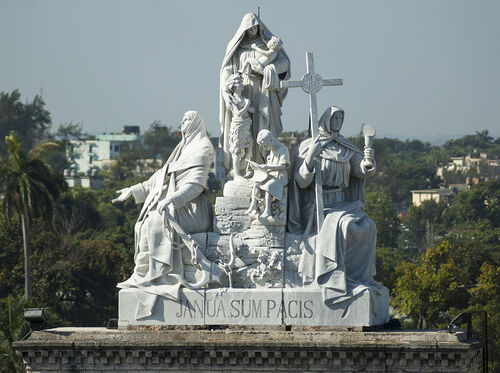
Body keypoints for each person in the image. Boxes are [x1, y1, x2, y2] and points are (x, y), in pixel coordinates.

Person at [112, 111, 219, 317]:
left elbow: (195, 185)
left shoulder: (204, 146)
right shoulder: (181, 149)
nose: (182, 122)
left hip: (194, 209)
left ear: (197, 122)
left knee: (156, 220)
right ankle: (143, 274)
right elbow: (158, 178)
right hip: (177, 205)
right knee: (143, 223)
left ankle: (158, 274)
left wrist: (172, 199)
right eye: (182, 119)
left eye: (187, 119)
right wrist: (133, 190)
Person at [288, 106, 383, 307]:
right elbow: (301, 181)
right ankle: (335, 279)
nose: (338, 122)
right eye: (335, 118)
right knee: (346, 227)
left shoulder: (344, 146)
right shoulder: (309, 146)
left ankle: (358, 278)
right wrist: (311, 157)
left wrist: (367, 163)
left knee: (369, 226)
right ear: (326, 120)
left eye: (341, 118)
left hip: (344, 202)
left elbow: (359, 171)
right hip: (319, 206)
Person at [220, 12, 291, 170]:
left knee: (263, 127)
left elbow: (284, 63)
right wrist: (226, 91)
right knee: (243, 130)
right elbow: (227, 70)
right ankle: (244, 168)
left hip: (263, 91)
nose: (252, 32)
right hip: (243, 90)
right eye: (249, 29)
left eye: (255, 28)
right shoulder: (237, 48)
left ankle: (264, 164)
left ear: (259, 28)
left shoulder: (266, 43)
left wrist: (267, 69)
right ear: (244, 30)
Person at [246, 129, 290, 219]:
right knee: (256, 183)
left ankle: (267, 211)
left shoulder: (283, 149)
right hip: (271, 175)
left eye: (265, 146)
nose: (265, 148)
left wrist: (268, 168)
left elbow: (284, 166)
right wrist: (260, 167)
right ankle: (253, 205)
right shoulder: (271, 151)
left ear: (271, 140)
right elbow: (269, 166)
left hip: (280, 177)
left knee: (268, 186)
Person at [224, 73, 254, 179]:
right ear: (234, 85)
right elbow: (237, 113)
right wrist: (246, 104)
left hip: (246, 124)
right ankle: (236, 174)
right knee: (237, 151)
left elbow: (253, 110)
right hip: (238, 126)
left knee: (249, 150)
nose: (242, 84)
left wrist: (246, 104)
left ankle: (245, 170)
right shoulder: (232, 99)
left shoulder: (243, 98)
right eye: (239, 82)